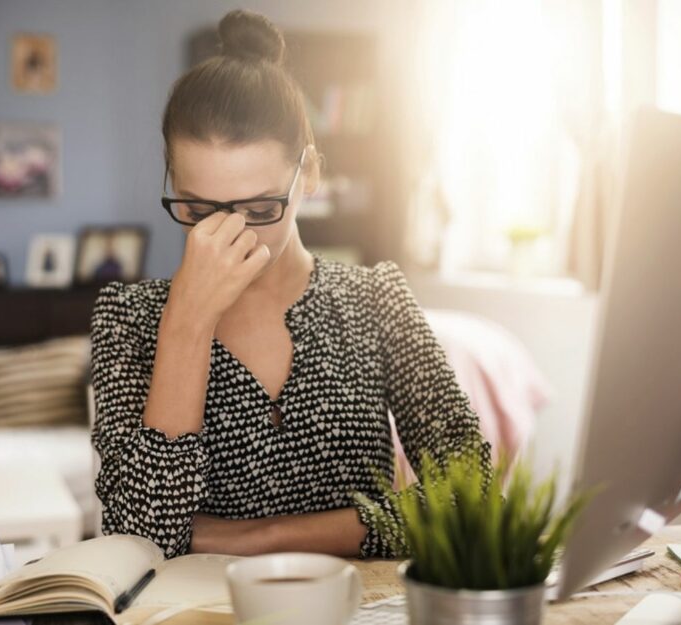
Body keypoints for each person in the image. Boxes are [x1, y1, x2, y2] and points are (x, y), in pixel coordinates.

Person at [90, 9, 492, 560]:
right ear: (172, 184)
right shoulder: (129, 316)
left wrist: (260, 537)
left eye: (260, 207)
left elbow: (470, 494)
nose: (230, 230)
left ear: (310, 174)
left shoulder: (375, 299)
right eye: (198, 207)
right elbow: (137, 538)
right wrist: (186, 324)